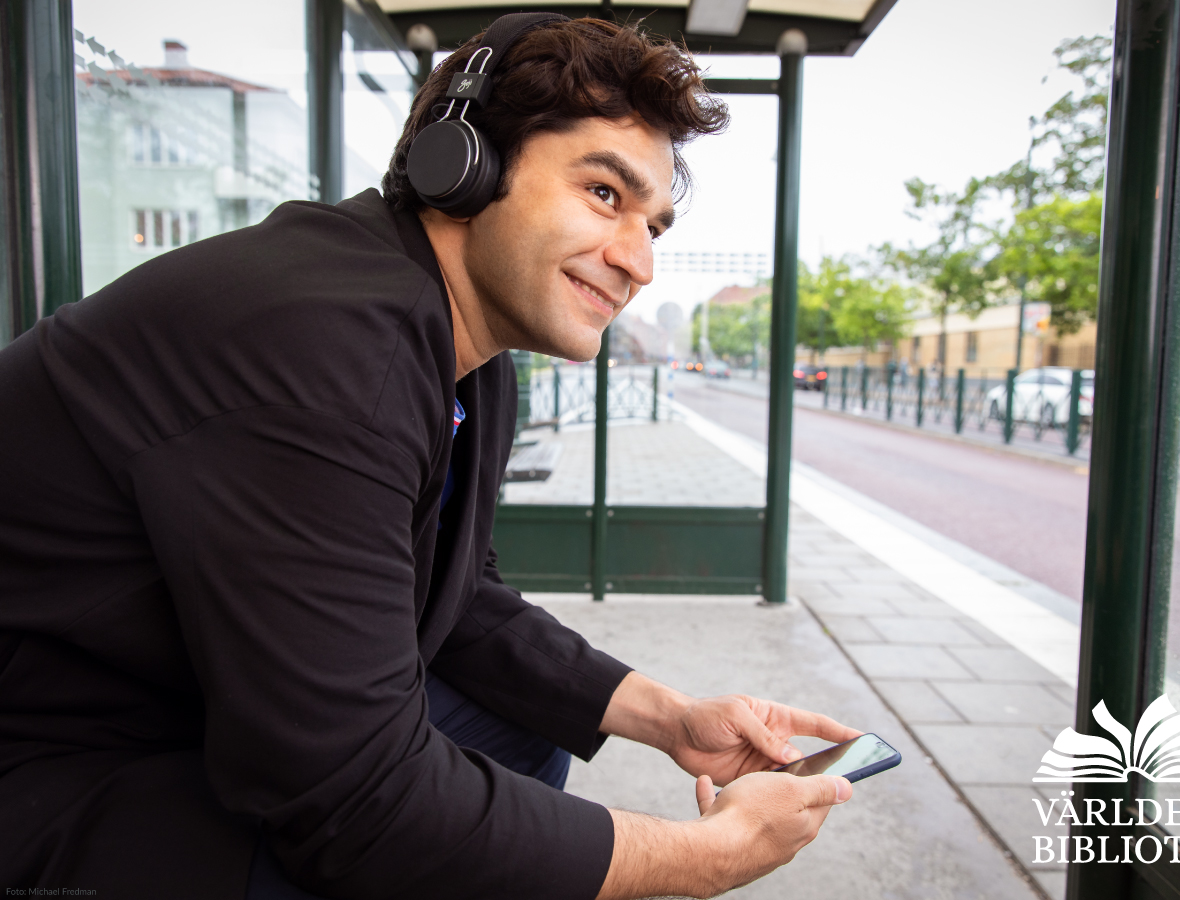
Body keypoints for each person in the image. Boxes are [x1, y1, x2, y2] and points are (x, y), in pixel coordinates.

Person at [0, 16, 858, 900]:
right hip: (52, 766)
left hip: (180, 703)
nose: (638, 262)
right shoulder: (325, 346)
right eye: (605, 193)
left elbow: (461, 599)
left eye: (655, 227)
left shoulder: (465, 355)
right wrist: (704, 857)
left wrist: (672, 718)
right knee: (421, 839)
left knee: (518, 732)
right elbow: (356, 798)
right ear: (461, 162)